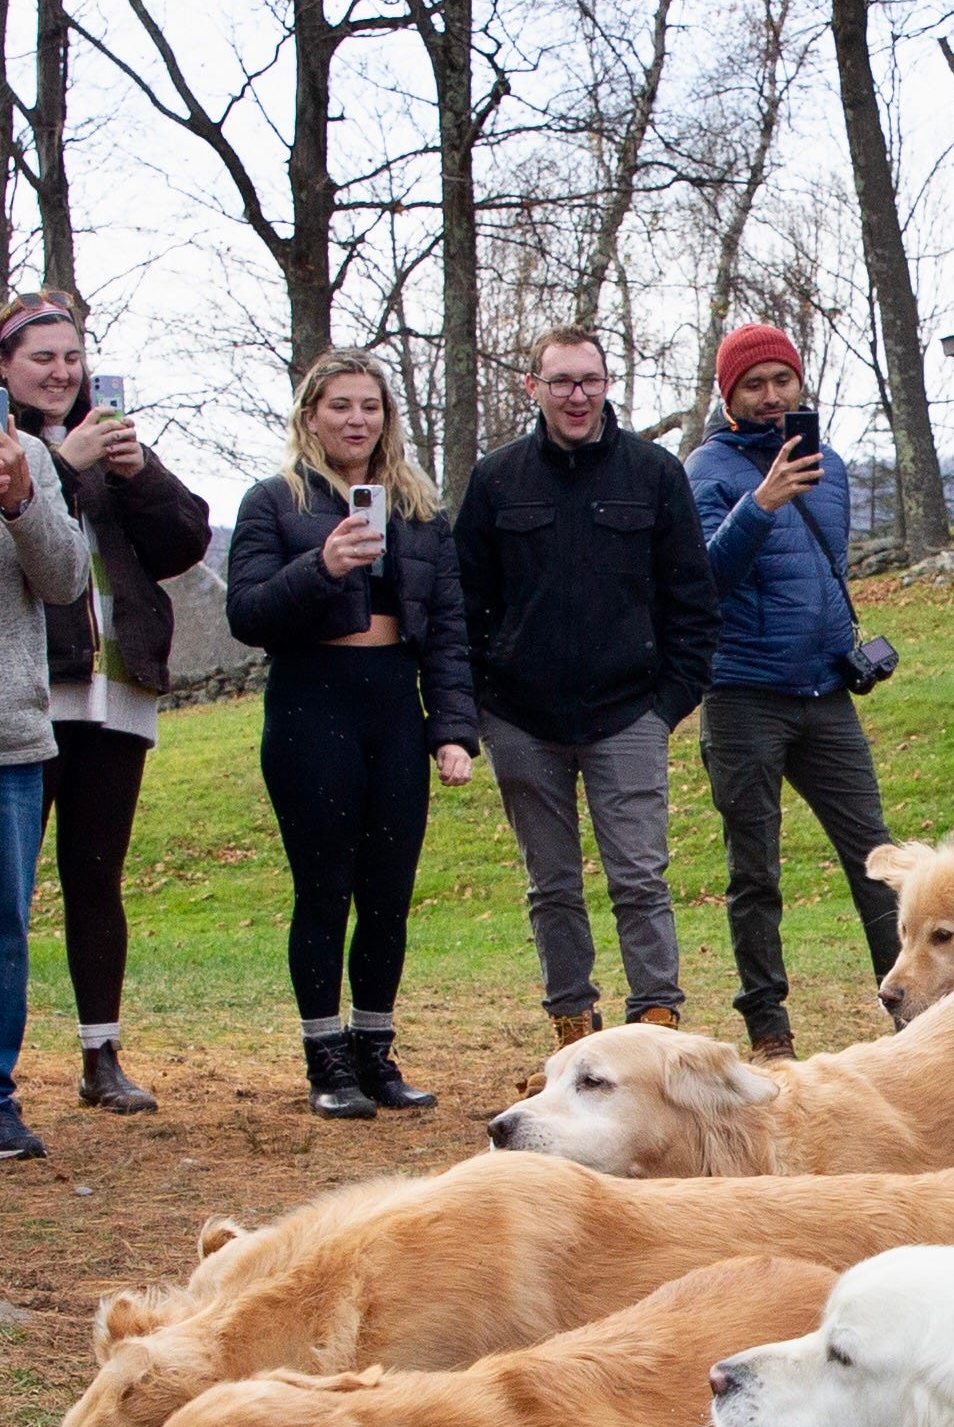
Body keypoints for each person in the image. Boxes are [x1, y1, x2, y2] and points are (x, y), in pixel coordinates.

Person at [455, 326, 721, 1054]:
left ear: (607, 385)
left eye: (590, 381)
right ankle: (571, 1030)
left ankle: (657, 1025)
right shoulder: (496, 479)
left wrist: (666, 703)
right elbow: (465, 601)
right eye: (561, 382)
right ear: (531, 386)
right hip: (519, 718)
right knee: (552, 886)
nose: (577, 396)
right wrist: (481, 702)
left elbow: (692, 603)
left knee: (639, 876)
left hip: (627, 712)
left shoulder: (654, 474)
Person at [226, 350, 477, 1118]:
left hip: (394, 706)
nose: (356, 419)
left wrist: (453, 729)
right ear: (310, 415)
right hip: (311, 707)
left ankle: (375, 1051)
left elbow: (449, 633)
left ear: (387, 417)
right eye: (340, 405)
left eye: (370, 405)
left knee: (389, 895)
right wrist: (323, 563)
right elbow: (247, 612)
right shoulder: (274, 501)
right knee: (325, 890)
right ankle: (325, 1057)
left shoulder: (419, 510)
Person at [0, 290, 211, 1117]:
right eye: (41, 357)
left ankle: (102, 1054)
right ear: (8, 366)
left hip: (115, 687)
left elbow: (186, 540)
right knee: (9, 895)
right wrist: (63, 460)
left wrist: (137, 470)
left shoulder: (112, 441)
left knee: (98, 873)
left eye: (72, 356)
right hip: (28, 692)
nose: (60, 372)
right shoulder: (17, 448)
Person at [685, 323, 899, 1060]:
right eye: (755, 385)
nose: (773, 396)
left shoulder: (830, 468)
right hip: (743, 693)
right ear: (730, 395)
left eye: (783, 380)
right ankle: (767, 1027)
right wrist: (762, 502)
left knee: (879, 860)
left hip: (825, 694)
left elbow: (825, 571)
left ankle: (914, 1010)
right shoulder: (706, 471)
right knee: (755, 869)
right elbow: (703, 582)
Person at [0, 383, 91, 1159]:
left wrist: (23, 500)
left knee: (3, 929)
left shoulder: (27, 456)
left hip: (9, 738)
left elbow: (67, 581)